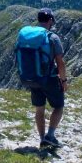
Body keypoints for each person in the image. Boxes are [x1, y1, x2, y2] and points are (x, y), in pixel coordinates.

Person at [29, 8, 68, 148]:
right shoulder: (53, 38)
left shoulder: (30, 36)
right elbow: (60, 63)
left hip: (33, 78)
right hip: (50, 79)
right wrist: (63, 80)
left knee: (39, 109)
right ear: (50, 20)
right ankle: (50, 136)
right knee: (58, 107)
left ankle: (42, 139)